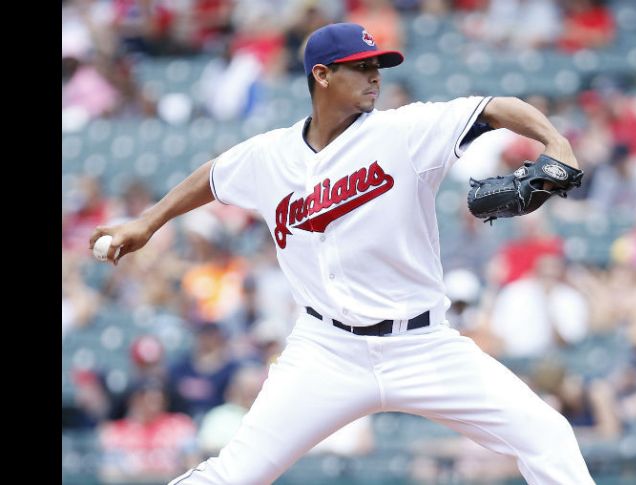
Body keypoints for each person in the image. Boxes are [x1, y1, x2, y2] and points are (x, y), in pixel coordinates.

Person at [90, 22, 595, 485]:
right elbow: (215, 175)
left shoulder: (404, 132)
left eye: (377, 66)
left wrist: (555, 142)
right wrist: (147, 222)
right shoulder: (270, 155)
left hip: (423, 346)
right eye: (362, 67)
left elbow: (493, 107)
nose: (375, 76)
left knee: (548, 437)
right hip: (326, 352)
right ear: (322, 75)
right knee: (233, 474)